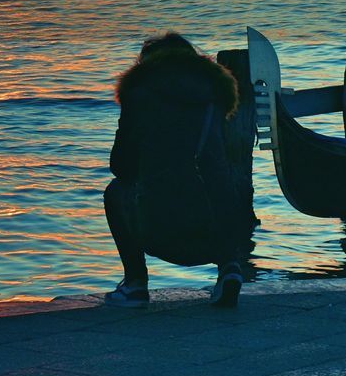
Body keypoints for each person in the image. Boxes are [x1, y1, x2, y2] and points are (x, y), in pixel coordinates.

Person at [103, 32, 249, 308]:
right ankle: (229, 268)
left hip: (159, 228)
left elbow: (119, 166)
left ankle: (135, 284)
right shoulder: (215, 96)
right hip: (216, 231)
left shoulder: (139, 93)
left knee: (115, 192)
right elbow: (219, 161)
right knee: (227, 184)